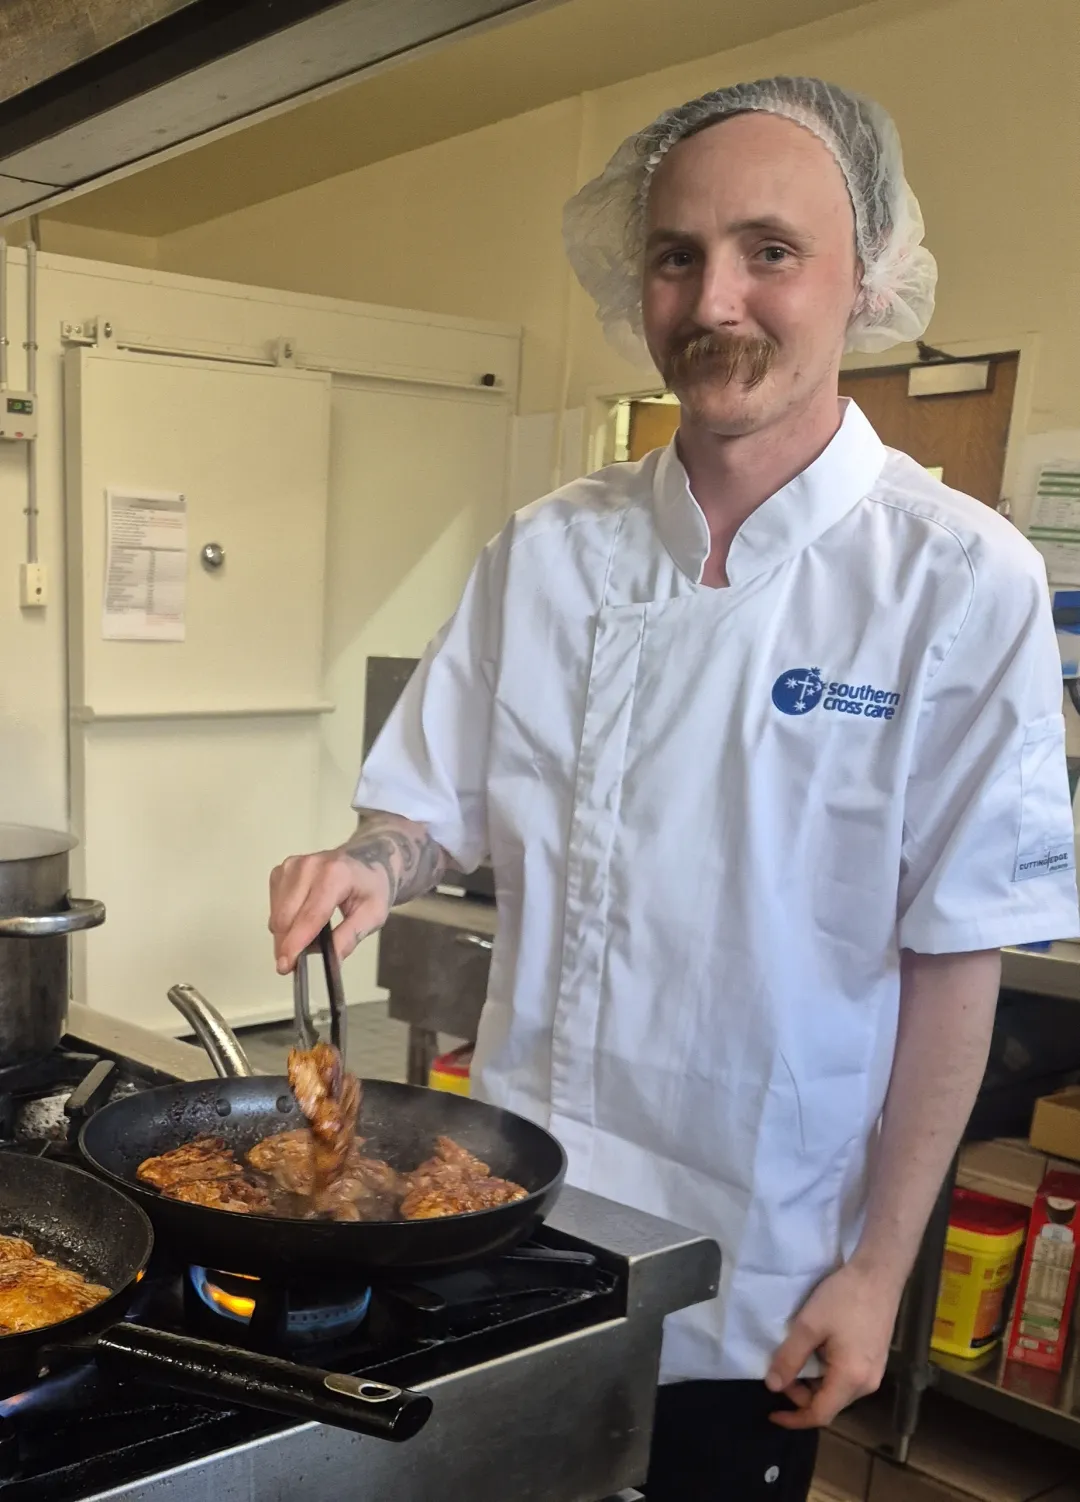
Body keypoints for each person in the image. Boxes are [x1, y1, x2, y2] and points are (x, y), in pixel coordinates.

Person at [268, 76, 1079, 1500]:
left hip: (761, 1270)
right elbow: (428, 806)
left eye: (771, 250)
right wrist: (370, 866)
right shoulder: (550, 550)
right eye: (675, 255)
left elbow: (955, 968)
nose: (717, 298)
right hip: (509, 1226)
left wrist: (882, 1273)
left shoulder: (954, 581)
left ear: (867, 277)